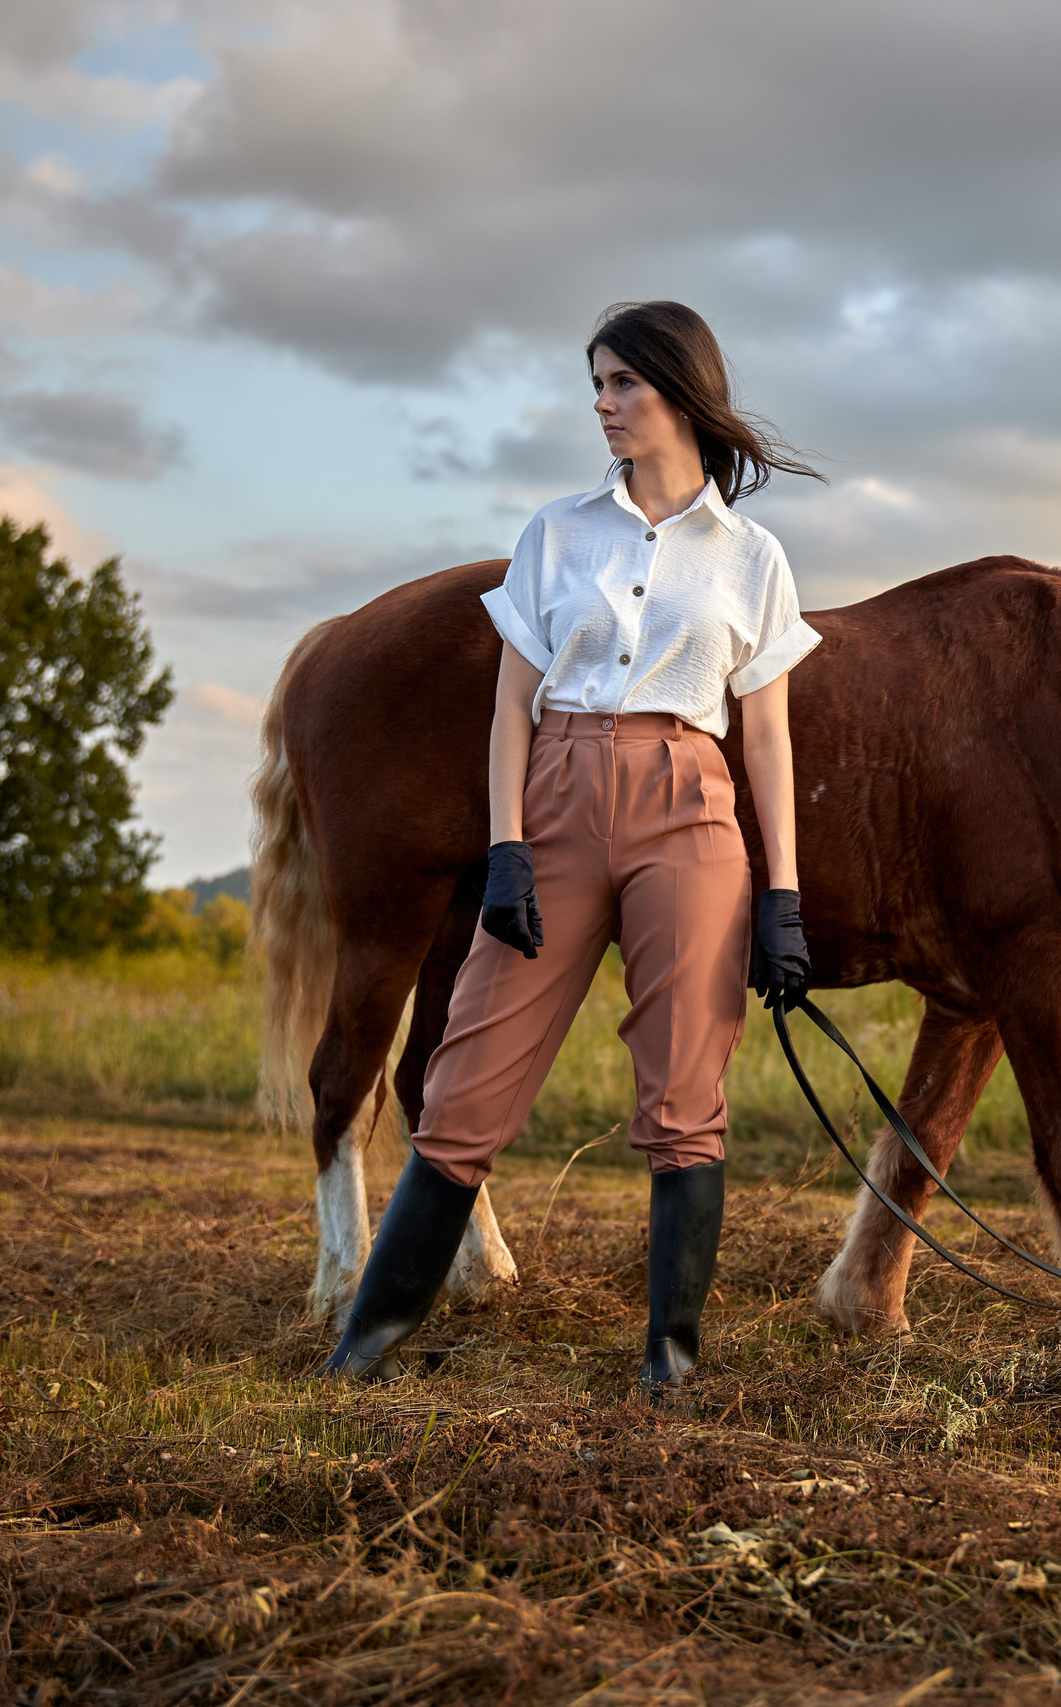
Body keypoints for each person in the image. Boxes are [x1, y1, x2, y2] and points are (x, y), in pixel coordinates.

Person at [322, 301, 821, 1393]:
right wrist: (503, 848)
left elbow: (769, 733)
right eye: (594, 385)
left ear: (680, 392)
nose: (600, 405)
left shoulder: (753, 557)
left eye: (620, 385)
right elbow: (511, 708)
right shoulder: (557, 533)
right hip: (557, 794)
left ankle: (670, 1361)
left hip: (690, 806)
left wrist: (782, 895)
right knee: (467, 1078)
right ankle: (364, 1344)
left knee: (686, 1090)